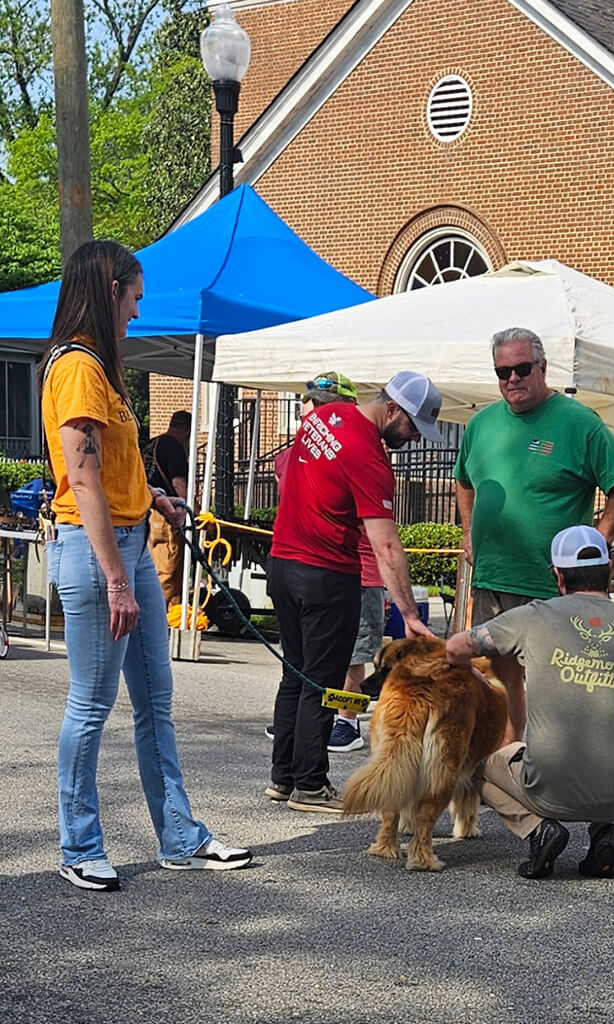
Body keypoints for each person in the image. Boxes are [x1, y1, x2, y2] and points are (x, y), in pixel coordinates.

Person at [40, 240, 251, 892]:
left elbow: (114, 470)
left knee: (154, 704)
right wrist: (113, 576)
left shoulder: (100, 370)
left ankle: (179, 837)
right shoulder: (77, 367)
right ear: (109, 289)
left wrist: (154, 495)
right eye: (133, 297)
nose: (137, 310)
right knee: (92, 704)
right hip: (96, 552)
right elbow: (82, 477)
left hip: (127, 543)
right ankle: (80, 845)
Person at [454, 327, 614, 742]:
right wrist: (468, 532)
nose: (513, 379)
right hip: (492, 576)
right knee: (499, 679)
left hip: (550, 583)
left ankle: (554, 765)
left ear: (542, 367)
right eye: (503, 372)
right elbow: (464, 481)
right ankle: (509, 760)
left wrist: (600, 541)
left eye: (522, 368)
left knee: (553, 681)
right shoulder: (482, 424)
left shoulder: (578, 423)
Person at [266, 371, 440, 813]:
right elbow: (385, 544)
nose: (415, 440)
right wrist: (410, 614)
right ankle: (310, 783)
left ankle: (283, 777)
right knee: (323, 682)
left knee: (295, 674)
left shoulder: (325, 417)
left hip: (284, 563)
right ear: (394, 409)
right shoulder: (371, 459)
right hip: (327, 573)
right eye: (414, 428)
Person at [446, 525, 614, 880]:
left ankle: (537, 829)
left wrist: (470, 671)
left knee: (479, 768)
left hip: (547, 786)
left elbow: (455, 647)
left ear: (558, 576)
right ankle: (607, 833)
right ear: (610, 569)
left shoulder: (534, 616)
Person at [267, 372, 383, 755]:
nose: (317, 411)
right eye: (313, 404)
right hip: (325, 567)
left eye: (326, 405)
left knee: (353, 658)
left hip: (361, 569)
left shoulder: (354, 444)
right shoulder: (304, 444)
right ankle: (310, 749)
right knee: (313, 671)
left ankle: (348, 721)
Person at [145, 410, 191, 608]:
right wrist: (195, 510)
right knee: (168, 569)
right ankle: (167, 613)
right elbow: (179, 484)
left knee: (152, 567)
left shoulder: (152, 444)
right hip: (166, 515)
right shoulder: (173, 447)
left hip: (145, 512)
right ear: (187, 430)